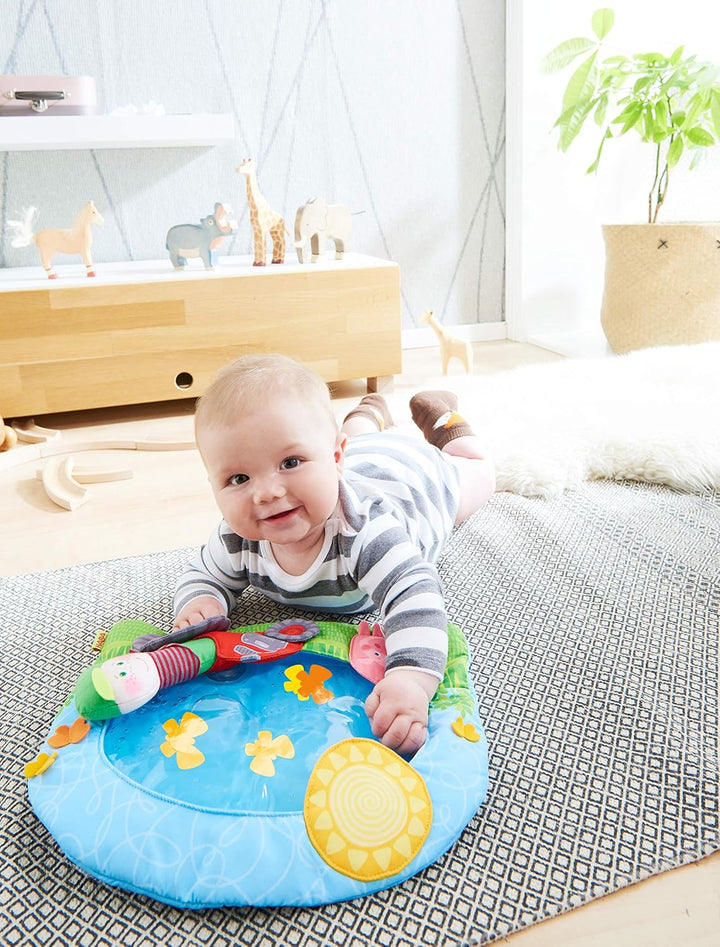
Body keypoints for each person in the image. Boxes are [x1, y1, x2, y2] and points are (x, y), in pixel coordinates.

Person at [173, 353, 495, 756]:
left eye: (290, 462)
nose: (266, 492)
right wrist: (201, 601)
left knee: (480, 471)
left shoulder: (365, 532)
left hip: (418, 478)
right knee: (352, 441)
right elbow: (203, 573)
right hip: (356, 453)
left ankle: (444, 418)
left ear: (334, 459)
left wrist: (411, 678)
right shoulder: (238, 539)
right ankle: (369, 413)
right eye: (238, 478)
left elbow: (415, 594)